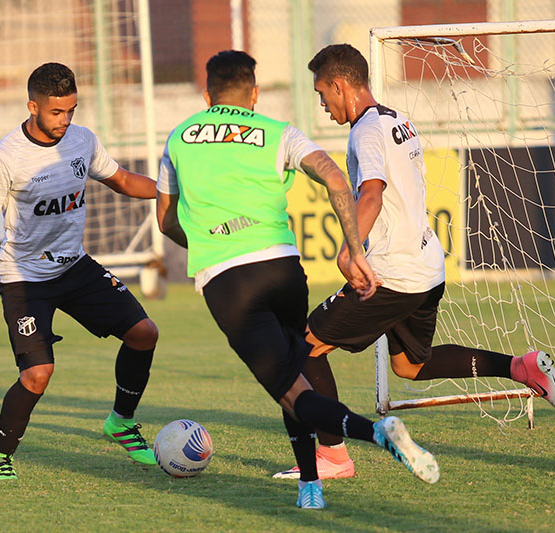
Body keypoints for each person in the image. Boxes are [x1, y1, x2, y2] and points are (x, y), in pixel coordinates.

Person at [273, 44, 555, 481]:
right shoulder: (398, 121)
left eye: (323, 93)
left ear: (340, 85)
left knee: (302, 346)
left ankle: (333, 457)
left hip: (394, 274)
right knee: (409, 365)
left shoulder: (365, 131)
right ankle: (519, 367)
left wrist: (351, 249)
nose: (322, 103)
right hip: (427, 267)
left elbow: (372, 193)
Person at [156, 50, 440, 510]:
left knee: (289, 387)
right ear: (253, 94)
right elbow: (335, 180)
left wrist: (210, 242)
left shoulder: (178, 138)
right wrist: (354, 247)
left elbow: (166, 221)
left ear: (207, 95)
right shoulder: (277, 131)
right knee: (295, 367)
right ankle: (311, 483)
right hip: (284, 268)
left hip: (230, 281)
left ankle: (375, 433)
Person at [0, 62, 160, 480]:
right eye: (56, 112)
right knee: (37, 375)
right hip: (24, 279)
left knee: (144, 333)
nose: (65, 120)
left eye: (71, 110)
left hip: (75, 267)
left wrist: (171, 192)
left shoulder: (82, 140)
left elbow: (121, 179)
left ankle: (121, 423)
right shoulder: (6, 157)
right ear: (32, 106)